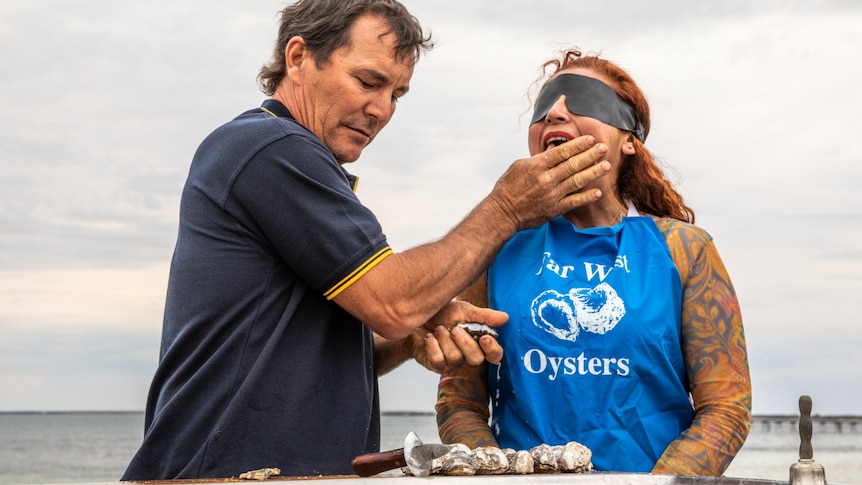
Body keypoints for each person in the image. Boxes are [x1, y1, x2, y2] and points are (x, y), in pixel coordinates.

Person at [121, 2, 614, 480]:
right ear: (298, 58)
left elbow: (328, 346)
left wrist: (410, 335)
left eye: (397, 94)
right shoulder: (272, 148)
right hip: (219, 475)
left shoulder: (282, 158)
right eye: (368, 81)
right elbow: (393, 302)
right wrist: (507, 208)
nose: (380, 109)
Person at [435, 49, 752, 476]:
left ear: (628, 140)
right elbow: (459, 401)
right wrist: (498, 474)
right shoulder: (496, 250)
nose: (556, 113)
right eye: (544, 106)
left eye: (582, 100)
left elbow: (726, 407)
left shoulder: (685, 250)